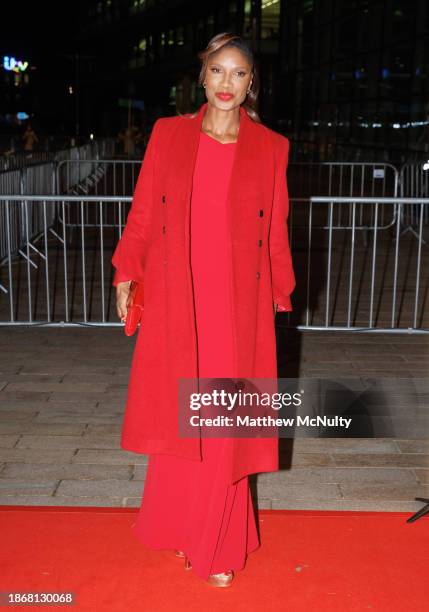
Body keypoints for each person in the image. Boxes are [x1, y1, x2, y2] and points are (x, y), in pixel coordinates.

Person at [111, 32, 296, 587]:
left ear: (251, 84)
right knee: (180, 419)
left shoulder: (272, 147)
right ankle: (184, 527)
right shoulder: (168, 135)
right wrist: (127, 271)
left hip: (236, 303)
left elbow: (276, 226)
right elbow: (143, 211)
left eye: (239, 74)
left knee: (223, 425)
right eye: (218, 71)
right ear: (202, 75)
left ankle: (216, 544)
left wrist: (281, 292)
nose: (226, 84)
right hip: (176, 298)